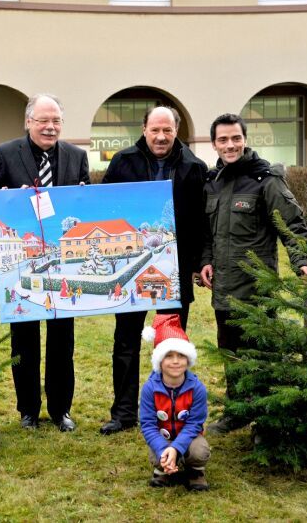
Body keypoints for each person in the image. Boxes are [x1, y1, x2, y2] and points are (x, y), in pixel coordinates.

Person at [199, 113, 307, 434]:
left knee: (261, 354)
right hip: (223, 288)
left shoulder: (266, 179)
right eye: (223, 140)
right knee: (231, 353)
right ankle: (237, 411)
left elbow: (291, 225)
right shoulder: (213, 182)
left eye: (235, 138)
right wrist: (205, 260)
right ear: (214, 144)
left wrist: (301, 261)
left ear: (245, 139)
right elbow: (206, 233)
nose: (230, 145)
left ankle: (264, 421)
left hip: (256, 288)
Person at [99, 106, 207, 435]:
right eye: (155, 130)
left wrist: (198, 261)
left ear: (177, 131)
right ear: (144, 129)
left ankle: (172, 412)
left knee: (171, 343)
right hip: (131, 270)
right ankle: (124, 412)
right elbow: (104, 207)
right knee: (126, 342)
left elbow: (203, 221)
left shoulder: (194, 167)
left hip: (174, 270)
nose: (161, 137)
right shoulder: (122, 162)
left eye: (168, 131)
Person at [0, 93, 90, 432]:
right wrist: (10, 200)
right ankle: (28, 409)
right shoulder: (4, 154)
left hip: (65, 265)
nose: (50, 127)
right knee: (24, 340)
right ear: (28, 121)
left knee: (63, 341)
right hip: (23, 264)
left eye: (56, 121)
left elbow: (84, 205)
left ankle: (61, 409)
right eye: (43, 120)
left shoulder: (77, 156)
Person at [139, 314, 210, 491]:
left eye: (181, 355)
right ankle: (163, 468)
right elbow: (147, 425)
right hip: (163, 439)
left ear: (188, 359)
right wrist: (164, 450)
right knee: (157, 457)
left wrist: (176, 448)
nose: (176, 361)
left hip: (189, 437)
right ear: (159, 361)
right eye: (169, 356)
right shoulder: (149, 389)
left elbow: (195, 424)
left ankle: (195, 470)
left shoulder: (197, 389)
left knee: (199, 451)